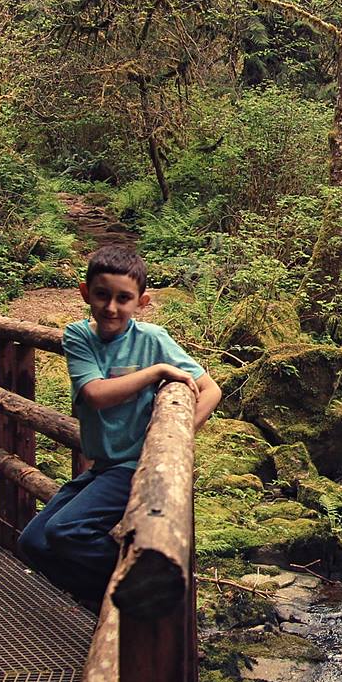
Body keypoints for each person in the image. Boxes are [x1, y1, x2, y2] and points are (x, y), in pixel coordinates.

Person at [18, 243, 221, 599]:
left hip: (133, 465)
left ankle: (144, 587)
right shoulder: (79, 336)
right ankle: (114, 598)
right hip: (102, 466)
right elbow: (95, 393)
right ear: (85, 294)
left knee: (66, 531)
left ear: (142, 302)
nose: (111, 307)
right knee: (33, 541)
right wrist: (154, 372)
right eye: (102, 295)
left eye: (123, 298)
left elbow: (210, 389)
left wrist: (175, 440)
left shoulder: (152, 338)